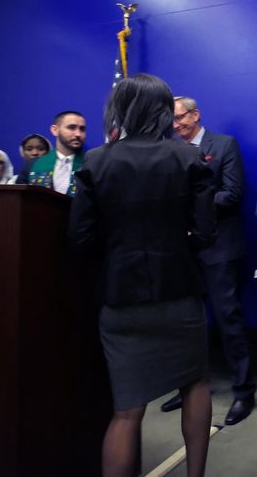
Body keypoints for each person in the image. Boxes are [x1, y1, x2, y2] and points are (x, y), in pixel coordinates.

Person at [68, 73, 216, 477]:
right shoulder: (188, 157)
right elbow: (205, 233)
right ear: (164, 111)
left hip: (120, 298)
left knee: (126, 411)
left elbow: (80, 240)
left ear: (119, 110)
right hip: (179, 292)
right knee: (196, 385)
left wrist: (117, 248)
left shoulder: (96, 161)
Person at [160, 96, 256, 425]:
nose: (175, 125)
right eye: (170, 120)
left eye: (180, 118)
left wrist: (190, 204)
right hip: (182, 250)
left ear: (196, 114)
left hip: (219, 248)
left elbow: (232, 194)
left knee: (228, 320)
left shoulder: (223, 144)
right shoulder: (170, 148)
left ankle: (244, 391)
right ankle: (187, 387)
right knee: (185, 323)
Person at [16, 111, 87, 196]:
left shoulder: (92, 164)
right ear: (55, 130)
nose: (78, 134)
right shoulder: (31, 165)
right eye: (71, 128)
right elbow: (20, 200)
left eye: (82, 129)